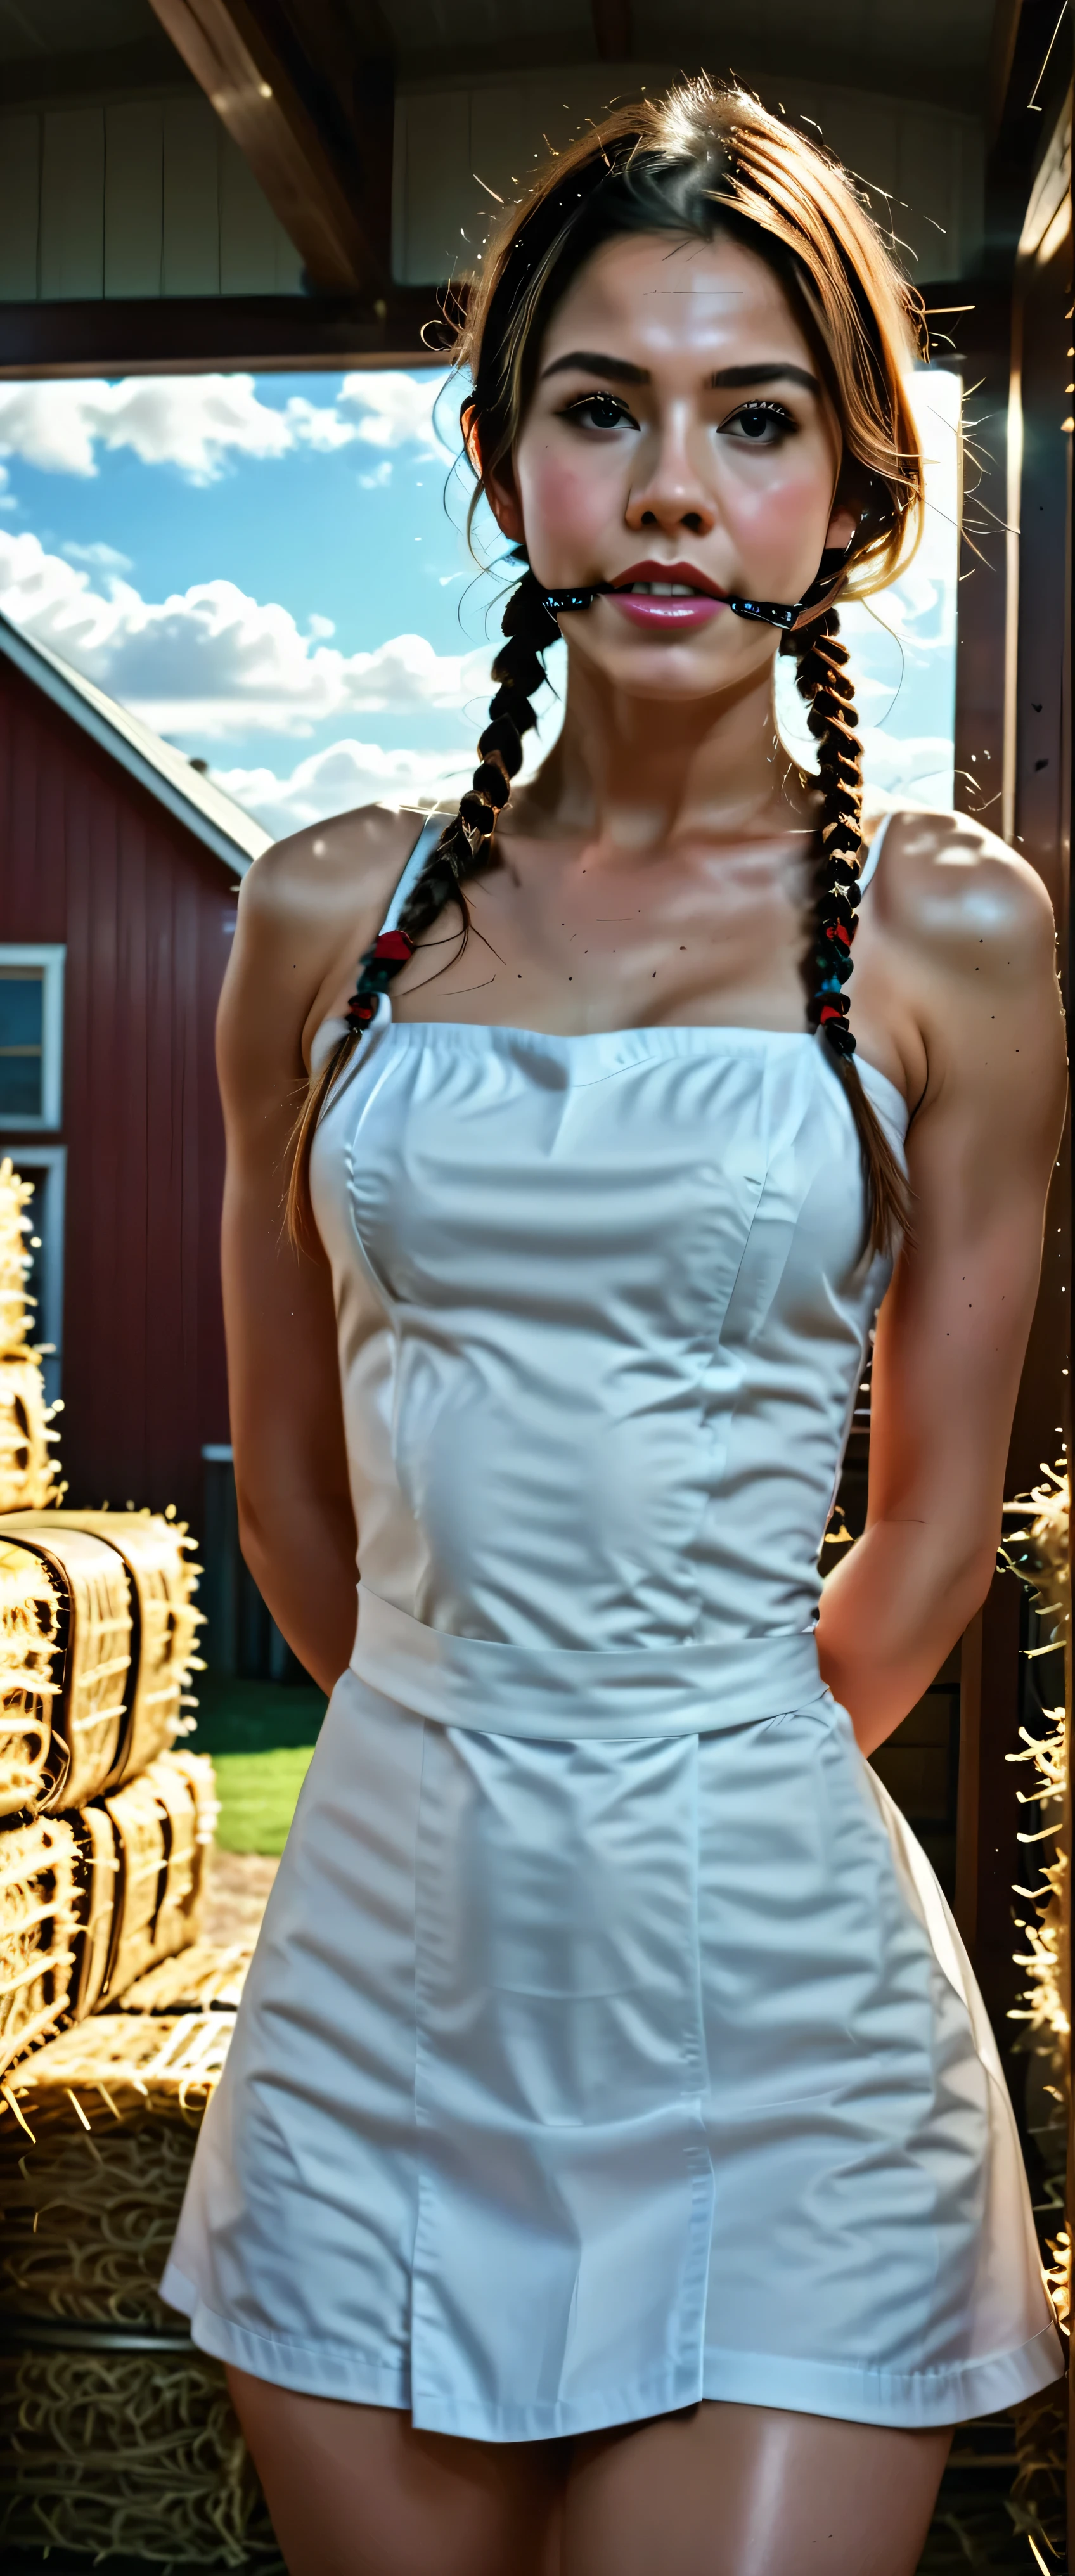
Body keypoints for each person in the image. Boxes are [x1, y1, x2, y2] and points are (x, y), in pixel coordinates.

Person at [162, 78, 1067, 2576]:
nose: (674, 490)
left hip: (771, 2006)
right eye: (600, 410)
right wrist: (477, 1762)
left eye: (753, 419)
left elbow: (927, 1533)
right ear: (502, 462)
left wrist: (676, 1761)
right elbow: (300, 1500)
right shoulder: (318, 919)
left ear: (853, 488)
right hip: (377, 1990)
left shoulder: (951, 936)